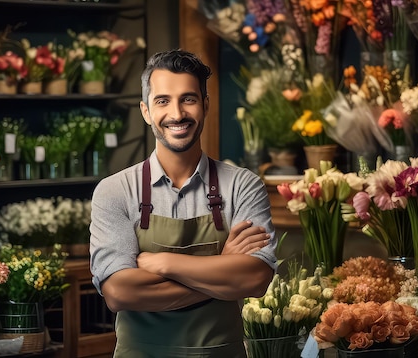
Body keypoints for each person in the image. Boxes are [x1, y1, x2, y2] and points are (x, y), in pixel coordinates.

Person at [89, 49, 277, 357]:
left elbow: (255, 279)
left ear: (205, 105)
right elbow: (119, 292)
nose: (177, 114)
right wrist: (221, 266)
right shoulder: (114, 191)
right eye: (162, 101)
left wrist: (165, 263)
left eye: (188, 99)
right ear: (146, 111)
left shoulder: (243, 185)